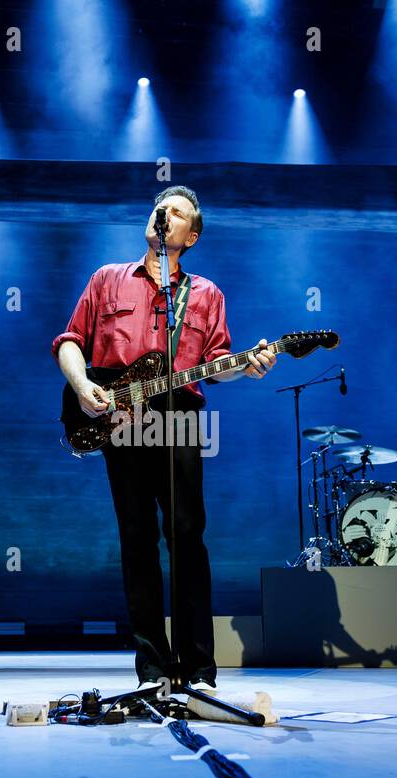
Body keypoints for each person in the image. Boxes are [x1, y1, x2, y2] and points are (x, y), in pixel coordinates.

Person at [52, 186, 277, 697]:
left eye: (178, 214)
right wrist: (82, 385)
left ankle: (199, 667)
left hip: (179, 420)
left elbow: (217, 367)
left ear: (190, 236)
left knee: (186, 537)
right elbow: (69, 341)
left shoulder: (205, 293)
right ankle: (152, 667)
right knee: (136, 539)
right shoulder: (107, 280)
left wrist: (250, 364)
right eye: (162, 209)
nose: (165, 216)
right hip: (122, 422)